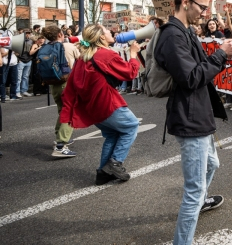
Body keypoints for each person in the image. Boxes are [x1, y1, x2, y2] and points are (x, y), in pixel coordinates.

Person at [154, 0, 232, 245]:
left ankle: (200, 201)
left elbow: (201, 65)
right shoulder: (172, 35)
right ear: (186, 2)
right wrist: (221, 56)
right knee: (193, 191)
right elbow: (190, 77)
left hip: (198, 114)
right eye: (201, 6)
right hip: (190, 119)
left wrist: (223, 55)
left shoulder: (187, 30)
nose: (205, 12)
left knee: (212, 164)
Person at [60, 24, 141, 184]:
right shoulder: (105, 55)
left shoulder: (84, 57)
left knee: (112, 134)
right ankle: (115, 163)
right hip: (107, 103)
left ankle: (103, 173)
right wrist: (133, 54)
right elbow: (130, 72)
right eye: (106, 30)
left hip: (92, 107)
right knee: (131, 126)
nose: (111, 31)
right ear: (102, 37)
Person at [40, 26, 80, 158]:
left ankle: (59, 138)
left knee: (62, 110)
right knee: (69, 112)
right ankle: (61, 145)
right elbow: (81, 60)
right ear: (59, 34)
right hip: (66, 82)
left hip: (53, 83)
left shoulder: (44, 47)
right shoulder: (67, 46)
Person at [15, 30, 33, 97]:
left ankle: (24, 90)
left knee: (25, 77)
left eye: (28, 34)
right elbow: (15, 51)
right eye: (26, 34)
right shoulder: (19, 41)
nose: (27, 35)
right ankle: (17, 91)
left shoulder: (31, 41)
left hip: (28, 60)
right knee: (19, 77)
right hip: (21, 61)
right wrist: (18, 59)